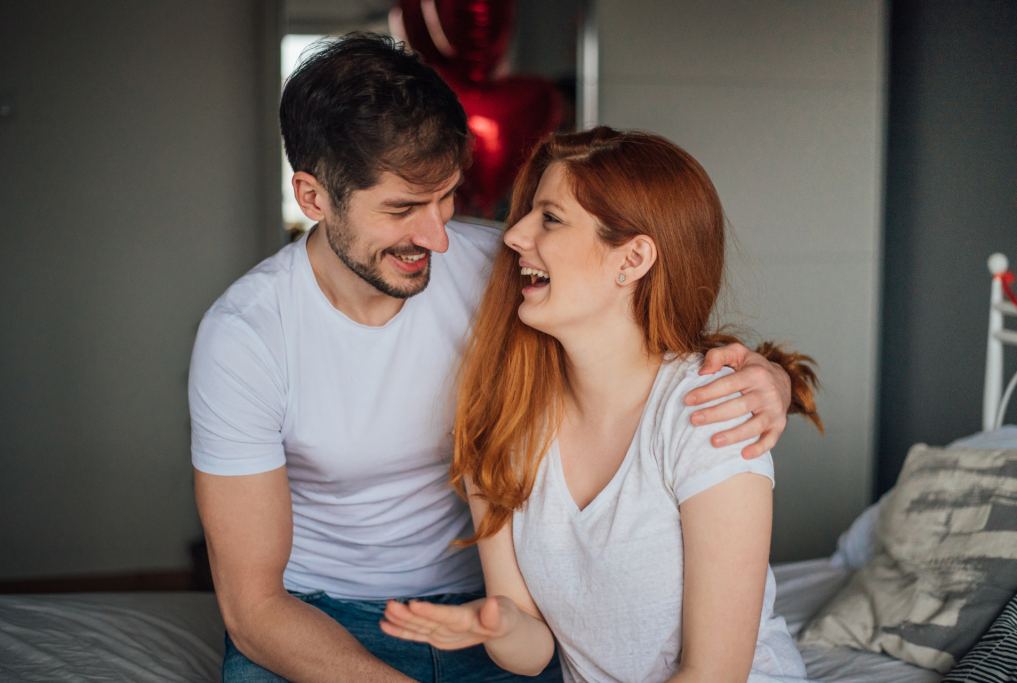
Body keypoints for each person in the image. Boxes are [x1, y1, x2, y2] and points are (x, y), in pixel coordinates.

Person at [190, 35, 802, 683]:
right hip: (327, 610)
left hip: (490, 604)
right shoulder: (247, 336)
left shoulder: (503, 272)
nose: (439, 236)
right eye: (402, 208)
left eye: (447, 197)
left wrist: (774, 378)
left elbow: (645, 333)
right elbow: (253, 605)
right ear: (313, 199)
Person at [379, 128, 823, 683]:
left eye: (550, 218)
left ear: (632, 258)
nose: (514, 235)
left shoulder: (706, 413)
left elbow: (715, 674)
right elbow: (534, 650)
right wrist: (496, 625)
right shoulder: (506, 422)